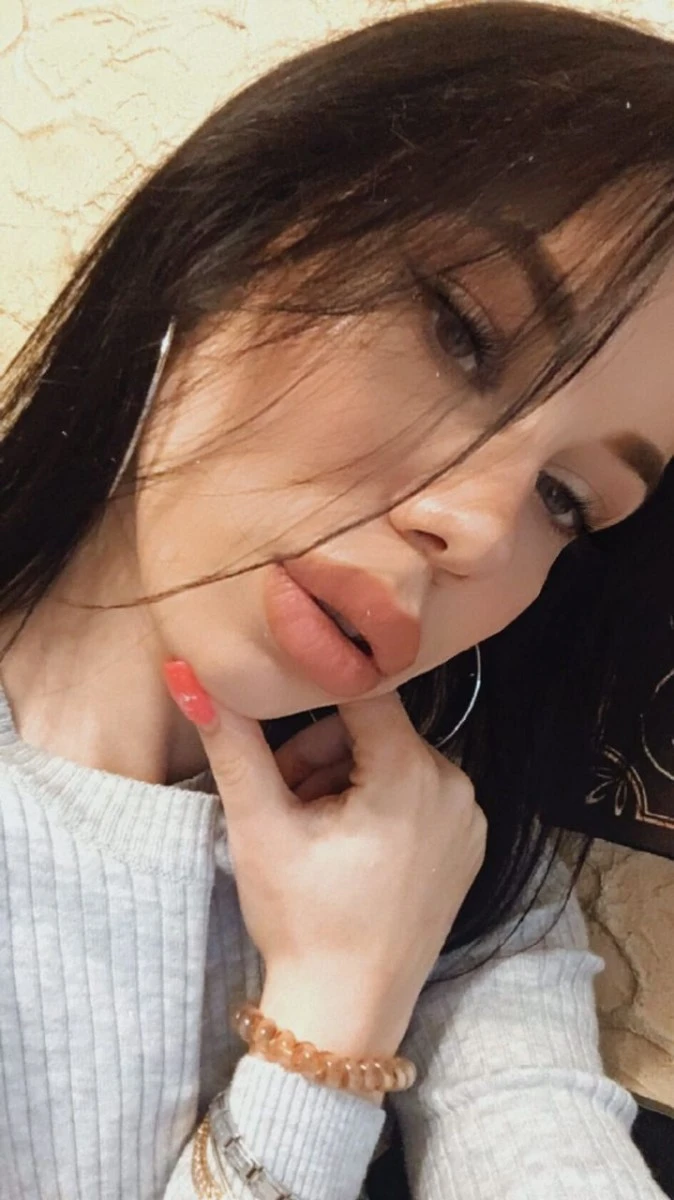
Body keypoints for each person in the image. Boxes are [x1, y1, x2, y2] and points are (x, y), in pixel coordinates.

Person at [0, 2, 673, 1196]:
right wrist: (328, 1023)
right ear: (230, 241)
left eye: (564, 499)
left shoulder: (434, 846)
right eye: (459, 335)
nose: (477, 530)